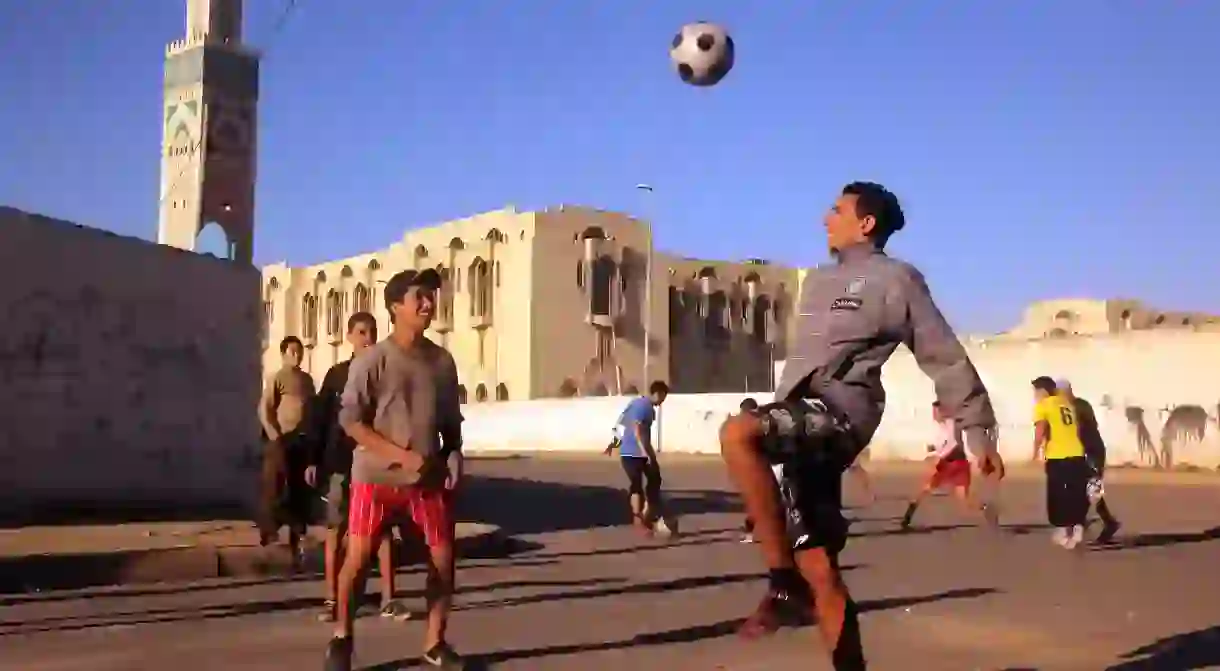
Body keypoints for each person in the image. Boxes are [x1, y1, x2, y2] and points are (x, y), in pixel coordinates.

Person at [719, 182, 1005, 670]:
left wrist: (977, 430)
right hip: (800, 419)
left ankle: (782, 583)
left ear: (865, 223)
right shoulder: (817, 281)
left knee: (738, 432)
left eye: (836, 210)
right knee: (821, 567)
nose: (825, 219)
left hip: (841, 412)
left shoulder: (897, 280)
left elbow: (945, 357)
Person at [325, 268, 466, 671]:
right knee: (359, 558)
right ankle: (342, 638)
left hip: (428, 480)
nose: (427, 303)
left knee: (443, 560)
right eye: (418, 296)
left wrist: (455, 452)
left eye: (431, 296)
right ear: (395, 306)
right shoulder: (373, 360)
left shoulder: (442, 362)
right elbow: (351, 422)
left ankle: (434, 642)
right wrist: (399, 456)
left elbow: (450, 423)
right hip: (376, 479)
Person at [308, 312, 412, 623]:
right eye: (362, 332)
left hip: (376, 465)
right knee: (336, 530)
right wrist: (314, 459)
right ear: (350, 336)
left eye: (372, 332)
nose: (367, 338)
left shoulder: (386, 374)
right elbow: (321, 419)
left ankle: (389, 598)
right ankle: (332, 598)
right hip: (341, 464)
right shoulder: (336, 375)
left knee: (382, 533)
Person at [257, 335, 317, 562]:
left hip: (302, 441)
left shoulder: (307, 380)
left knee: (298, 489)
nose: (296, 355)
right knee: (275, 487)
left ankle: (296, 537)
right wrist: (275, 436)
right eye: (291, 351)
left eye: (299, 351)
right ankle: (268, 532)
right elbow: (266, 409)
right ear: (283, 354)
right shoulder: (277, 378)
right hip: (282, 441)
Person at [900, 401, 997, 530]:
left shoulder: (951, 424)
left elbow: (953, 443)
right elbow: (944, 443)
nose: (934, 415)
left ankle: (987, 509)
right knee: (930, 490)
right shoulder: (942, 426)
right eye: (933, 411)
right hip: (952, 462)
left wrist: (938, 457)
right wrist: (934, 449)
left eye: (936, 411)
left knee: (958, 498)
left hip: (953, 463)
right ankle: (906, 519)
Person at [1054, 378, 1120, 544]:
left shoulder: (1076, 407)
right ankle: (1102, 522)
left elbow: (1078, 430)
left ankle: (1100, 523)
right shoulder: (1077, 405)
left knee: (1090, 488)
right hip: (1087, 451)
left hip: (1092, 452)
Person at [1031, 376, 1090, 550]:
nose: (1034, 395)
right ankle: (1077, 527)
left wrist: (1035, 452)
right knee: (1075, 493)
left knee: (1057, 495)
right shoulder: (1067, 404)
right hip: (1077, 453)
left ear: (1042, 391)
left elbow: (1040, 429)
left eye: (1035, 391)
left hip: (1058, 455)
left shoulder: (1043, 405)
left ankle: (1063, 530)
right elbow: (1077, 428)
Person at [612, 381, 672, 536]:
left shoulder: (638, 404)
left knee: (654, 479)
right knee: (637, 485)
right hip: (633, 453)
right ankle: (639, 520)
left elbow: (621, 421)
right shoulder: (643, 406)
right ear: (657, 394)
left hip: (635, 451)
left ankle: (647, 514)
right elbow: (638, 430)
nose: (662, 402)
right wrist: (645, 452)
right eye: (663, 398)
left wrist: (651, 455)